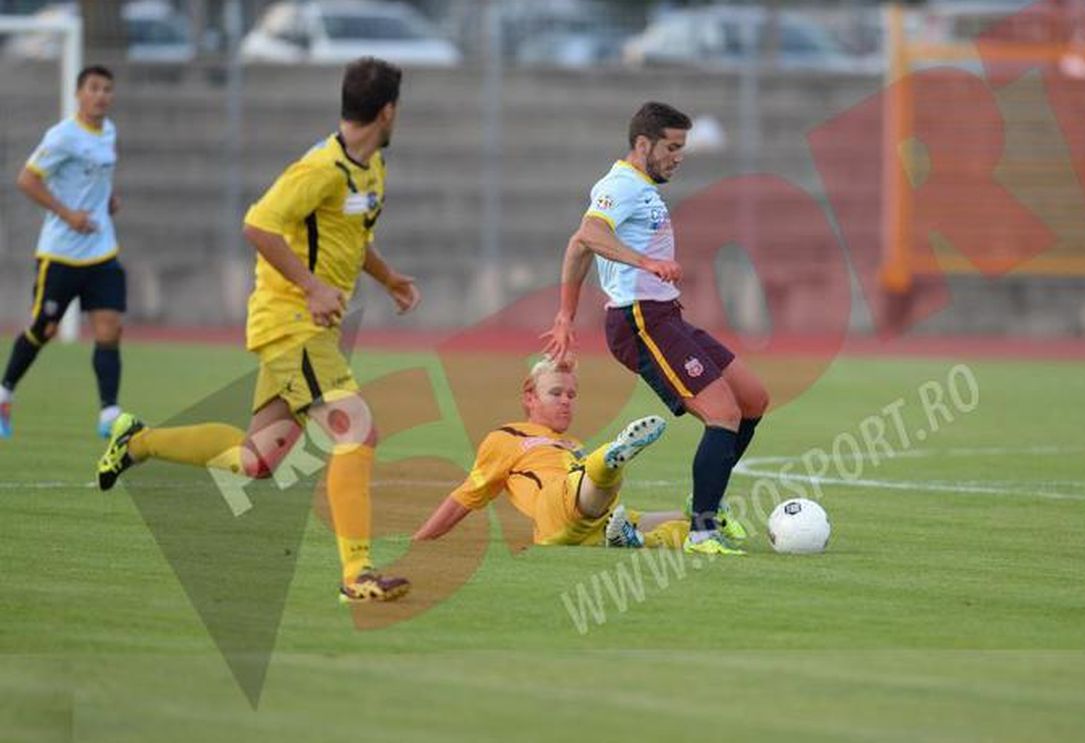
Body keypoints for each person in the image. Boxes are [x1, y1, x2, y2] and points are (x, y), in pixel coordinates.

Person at [95, 57, 420, 603]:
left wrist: (387, 279)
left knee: (257, 460)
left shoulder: (370, 170)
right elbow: (258, 225)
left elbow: (349, 237)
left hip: (307, 325)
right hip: (293, 322)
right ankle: (356, 573)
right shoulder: (319, 169)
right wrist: (313, 288)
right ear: (387, 111)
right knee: (356, 430)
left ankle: (139, 441)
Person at [542, 101, 767, 556]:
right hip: (638, 318)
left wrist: (565, 314)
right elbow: (589, 234)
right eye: (672, 146)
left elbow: (578, 244)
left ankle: (707, 504)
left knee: (752, 399)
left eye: (682, 147)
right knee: (722, 413)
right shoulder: (620, 184)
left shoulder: (641, 187)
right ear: (643, 144)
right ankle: (702, 532)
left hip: (665, 314)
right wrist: (646, 262)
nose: (679, 156)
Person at [412, 356, 692, 550]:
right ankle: (613, 455)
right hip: (551, 510)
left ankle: (660, 531)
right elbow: (465, 497)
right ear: (530, 398)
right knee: (595, 475)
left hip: (590, 521)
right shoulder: (508, 437)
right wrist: (421, 539)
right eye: (556, 393)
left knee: (685, 526)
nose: (566, 402)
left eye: (571, 395)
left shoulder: (572, 443)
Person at [2, 65, 126, 440]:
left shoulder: (109, 131)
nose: (101, 95)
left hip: (102, 251)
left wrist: (107, 200)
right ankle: (4, 392)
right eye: (94, 88)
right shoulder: (62, 136)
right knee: (45, 328)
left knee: (110, 328)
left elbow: (96, 178)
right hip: (61, 254)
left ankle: (109, 413)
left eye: (107, 88)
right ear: (79, 93)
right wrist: (67, 213)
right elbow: (27, 179)